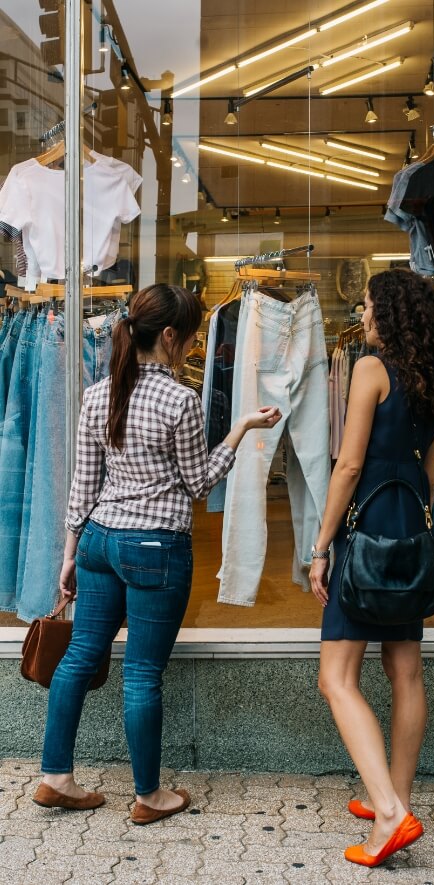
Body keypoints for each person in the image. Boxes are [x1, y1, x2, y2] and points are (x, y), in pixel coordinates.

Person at [34, 284, 281, 824]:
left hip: (99, 538)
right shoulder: (181, 400)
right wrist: (240, 429)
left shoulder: (99, 393)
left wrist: (70, 552)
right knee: (142, 672)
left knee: (78, 657)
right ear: (168, 336)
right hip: (154, 546)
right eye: (190, 338)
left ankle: (56, 778)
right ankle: (149, 796)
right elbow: (198, 483)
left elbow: (84, 481)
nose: (192, 347)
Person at [310, 269, 434, 867]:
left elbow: (349, 466)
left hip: (365, 533)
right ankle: (397, 797)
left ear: (393, 313)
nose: (363, 312)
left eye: (370, 304)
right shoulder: (433, 379)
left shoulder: (370, 370)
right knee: (405, 669)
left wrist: (321, 546)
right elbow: (425, 471)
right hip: (409, 532)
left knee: (337, 677)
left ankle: (388, 811)